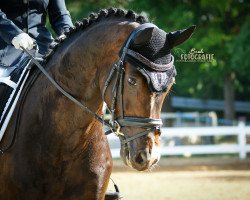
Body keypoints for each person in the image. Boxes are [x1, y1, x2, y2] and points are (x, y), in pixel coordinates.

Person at [0, 0, 73, 120]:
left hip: (43, 49)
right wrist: (13, 34)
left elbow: (60, 15)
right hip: (6, 48)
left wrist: (69, 35)